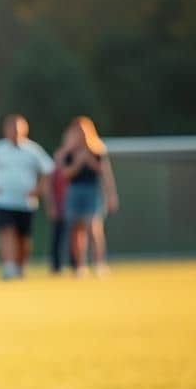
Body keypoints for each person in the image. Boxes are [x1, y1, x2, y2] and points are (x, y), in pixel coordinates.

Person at [0, 114, 55, 280]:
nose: (15, 132)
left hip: (26, 202)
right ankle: (9, 267)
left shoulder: (33, 150)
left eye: (19, 129)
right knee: (6, 232)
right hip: (2, 200)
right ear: (6, 130)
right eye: (12, 129)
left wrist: (38, 189)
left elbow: (48, 170)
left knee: (23, 238)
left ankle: (20, 267)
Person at [55, 116, 119, 275]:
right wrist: (78, 162)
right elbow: (65, 174)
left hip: (93, 191)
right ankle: (80, 265)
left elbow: (105, 173)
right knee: (77, 230)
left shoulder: (97, 150)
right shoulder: (69, 153)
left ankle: (99, 264)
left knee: (93, 226)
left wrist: (112, 195)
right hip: (75, 191)